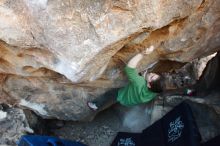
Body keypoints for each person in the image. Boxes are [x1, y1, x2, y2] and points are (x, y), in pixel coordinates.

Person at [87, 46, 164, 111]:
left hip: (122, 95)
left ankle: (95, 105)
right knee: (115, 100)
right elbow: (150, 84)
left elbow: (129, 68)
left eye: (152, 77)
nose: (151, 73)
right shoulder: (155, 90)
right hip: (129, 101)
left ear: (149, 85)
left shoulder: (139, 82)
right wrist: (144, 77)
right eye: (155, 74)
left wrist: (143, 53)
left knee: (109, 95)